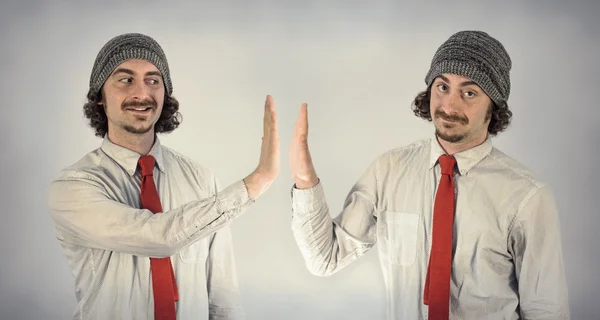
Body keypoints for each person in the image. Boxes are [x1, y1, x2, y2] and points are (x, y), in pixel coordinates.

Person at [289, 30, 570, 319]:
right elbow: (325, 259)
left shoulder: (527, 197)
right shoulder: (388, 171)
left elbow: (546, 310)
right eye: (442, 87)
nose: (449, 105)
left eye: (469, 93)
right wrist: (305, 180)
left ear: (493, 106)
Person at [47, 33, 279, 320]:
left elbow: (223, 299)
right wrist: (257, 182)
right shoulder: (73, 187)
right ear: (99, 98)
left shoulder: (201, 180)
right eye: (125, 79)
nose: (142, 93)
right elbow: (157, 237)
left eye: (153, 81)